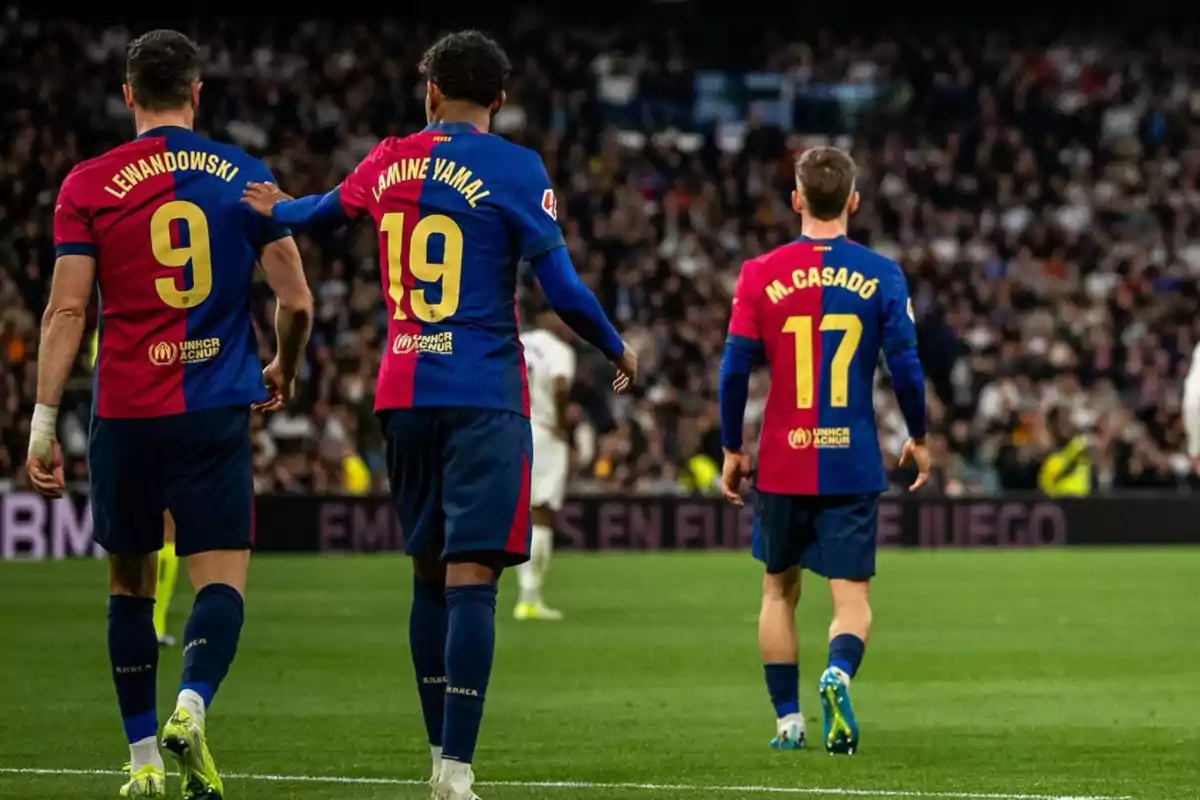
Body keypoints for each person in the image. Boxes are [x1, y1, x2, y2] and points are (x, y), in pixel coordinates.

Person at [242, 29, 636, 800]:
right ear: (498, 99)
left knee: (427, 577)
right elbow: (561, 292)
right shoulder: (516, 168)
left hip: (403, 393)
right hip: (483, 392)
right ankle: (455, 770)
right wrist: (617, 349)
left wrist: (273, 205)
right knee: (472, 581)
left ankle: (435, 758)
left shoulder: (389, 158)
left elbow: (319, 215)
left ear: (430, 93)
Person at [26, 29, 312, 799]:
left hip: (124, 410)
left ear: (128, 96)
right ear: (196, 93)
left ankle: (144, 762)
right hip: (213, 406)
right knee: (221, 577)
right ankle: (193, 705)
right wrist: (283, 362)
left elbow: (66, 310)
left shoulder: (87, 184)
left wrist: (44, 424)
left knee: (129, 584)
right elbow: (296, 299)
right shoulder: (245, 175)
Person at [717, 146, 930, 756]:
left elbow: (734, 370)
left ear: (796, 200)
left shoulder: (760, 273)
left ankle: (788, 722)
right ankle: (837, 673)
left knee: (777, 590)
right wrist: (918, 436)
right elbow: (907, 369)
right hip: (851, 457)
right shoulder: (883, 274)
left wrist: (732, 445)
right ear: (854, 202)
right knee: (852, 598)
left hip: (783, 457)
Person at [515, 309, 576, 621]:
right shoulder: (560, 351)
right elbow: (562, 385)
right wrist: (563, 424)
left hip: (512, 429)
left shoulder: (519, 342)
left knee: (522, 513)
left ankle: (527, 595)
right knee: (541, 514)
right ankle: (530, 597)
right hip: (544, 432)